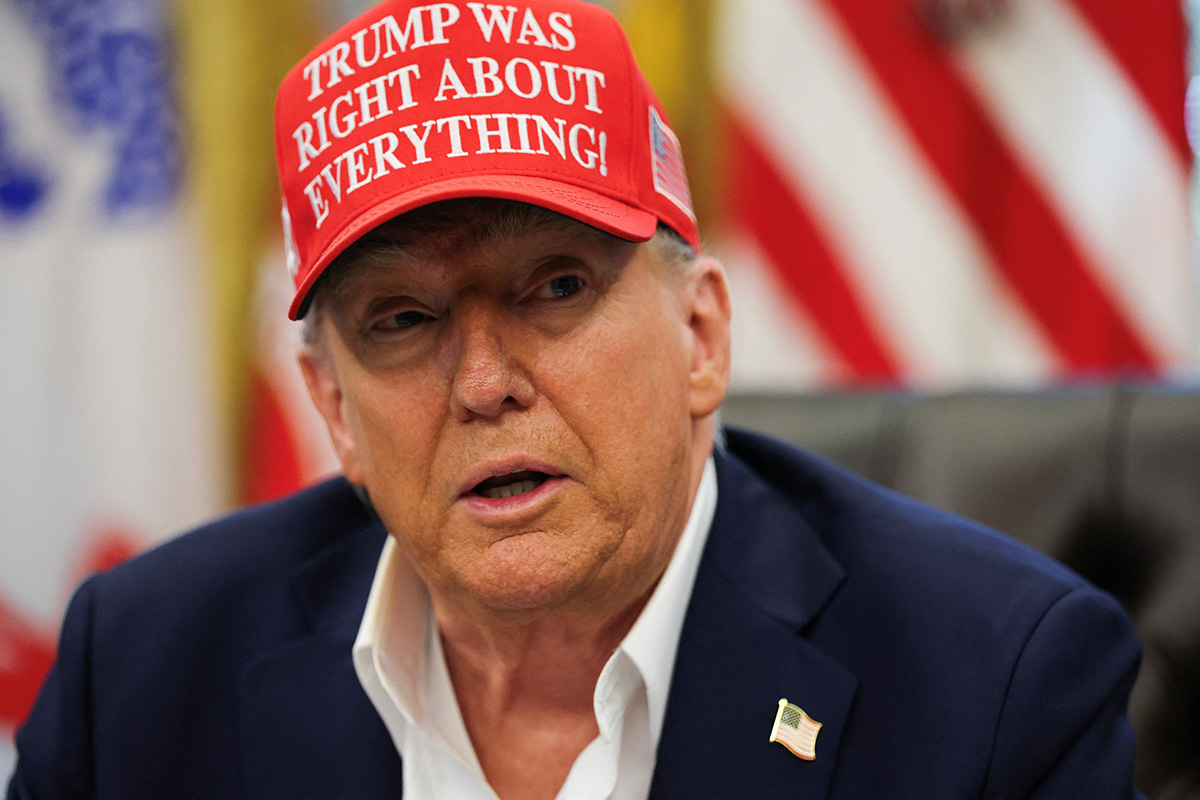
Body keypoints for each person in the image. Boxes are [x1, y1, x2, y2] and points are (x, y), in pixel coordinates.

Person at [8, 1, 1146, 798]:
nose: (483, 384)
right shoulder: (144, 671)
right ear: (335, 409)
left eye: (555, 287)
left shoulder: (991, 686)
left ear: (700, 335)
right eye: (400, 319)